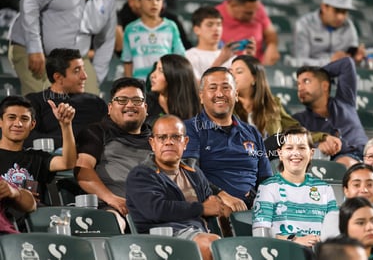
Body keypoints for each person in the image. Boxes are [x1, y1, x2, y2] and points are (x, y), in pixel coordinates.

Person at [127, 115, 222, 260]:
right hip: (162, 238)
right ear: (152, 143)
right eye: (162, 137)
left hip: (199, 232)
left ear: (185, 142)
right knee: (211, 244)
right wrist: (201, 208)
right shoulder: (141, 174)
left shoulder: (194, 172)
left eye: (176, 137)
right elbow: (156, 210)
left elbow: (212, 207)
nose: (169, 142)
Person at [183, 66, 272, 210]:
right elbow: (189, 172)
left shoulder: (252, 133)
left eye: (226, 88)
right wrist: (221, 195)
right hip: (213, 210)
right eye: (212, 88)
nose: (219, 94)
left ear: (236, 95)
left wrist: (258, 200)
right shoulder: (189, 129)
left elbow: (266, 179)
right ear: (201, 96)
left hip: (254, 210)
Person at [8, 0, 116, 95]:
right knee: (46, 104)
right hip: (37, 52)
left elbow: (106, 41)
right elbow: (29, 2)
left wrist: (96, 77)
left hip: (77, 58)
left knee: (91, 102)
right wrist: (34, 48)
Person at [75, 77, 152, 231]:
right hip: (113, 207)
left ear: (146, 107)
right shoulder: (96, 132)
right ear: (110, 108)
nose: (130, 105)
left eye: (137, 100)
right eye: (122, 100)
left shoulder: (158, 137)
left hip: (154, 208)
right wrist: (112, 199)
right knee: (112, 223)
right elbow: (82, 170)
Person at [231, 54, 342, 158]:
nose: (232, 77)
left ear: (255, 78)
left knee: (281, 141)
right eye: (230, 72)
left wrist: (323, 137)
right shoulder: (226, 106)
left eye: (239, 72)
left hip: (269, 162)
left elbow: (295, 132)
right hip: (239, 161)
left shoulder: (273, 104)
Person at [252, 126, 338, 247]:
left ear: (311, 153)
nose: (296, 153)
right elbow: (260, 235)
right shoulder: (268, 188)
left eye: (302, 148)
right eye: (289, 148)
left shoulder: (324, 188)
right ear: (280, 154)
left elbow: (335, 232)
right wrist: (294, 240)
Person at [24, 48, 107, 149]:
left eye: (83, 69)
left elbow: (111, 133)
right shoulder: (35, 101)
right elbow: (27, 137)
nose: (84, 76)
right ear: (58, 77)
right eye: (77, 71)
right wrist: (71, 143)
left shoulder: (96, 102)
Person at [0, 95, 76, 204]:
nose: (18, 124)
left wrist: (66, 125)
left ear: (32, 124)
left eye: (24, 119)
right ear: (1, 121)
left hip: (34, 218)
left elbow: (68, 163)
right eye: (11, 117)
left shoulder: (37, 158)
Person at [293, 57, 368, 168]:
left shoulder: (345, 100)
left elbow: (346, 63)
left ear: (325, 85)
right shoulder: (298, 120)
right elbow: (294, 143)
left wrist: (320, 73)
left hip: (369, 153)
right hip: (341, 161)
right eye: (298, 84)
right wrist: (318, 145)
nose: (300, 88)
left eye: (306, 81)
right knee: (345, 164)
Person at [121, 0, 185, 80]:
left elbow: (179, 57)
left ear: (163, 3)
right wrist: (129, 84)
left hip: (165, 81)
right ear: (138, 2)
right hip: (140, 83)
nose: (154, 3)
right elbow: (127, 61)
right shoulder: (130, 29)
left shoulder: (171, 26)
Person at [293, 0, 366, 67]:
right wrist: (330, 62)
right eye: (337, 10)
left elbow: (350, 60)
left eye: (344, 11)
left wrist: (356, 60)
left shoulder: (348, 26)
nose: (340, 17)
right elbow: (299, 61)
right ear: (324, 7)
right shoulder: (304, 24)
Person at [115, 0, 192, 57]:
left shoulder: (171, 22)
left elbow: (185, 51)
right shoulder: (119, 21)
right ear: (132, 1)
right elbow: (122, 54)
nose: (154, 3)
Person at [185, 6, 256, 80]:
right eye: (210, 25)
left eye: (219, 24)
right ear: (197, 30)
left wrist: (248, 60)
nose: (216, 29)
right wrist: (220, 61)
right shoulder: (188, 56)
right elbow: (197, 87)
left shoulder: (231, 57)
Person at [215, 0, 279, 66]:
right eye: (249, 13)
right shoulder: (216, 16)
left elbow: (271, 33)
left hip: (257, 66)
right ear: (233, 5)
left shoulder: (256, 8)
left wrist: (272, 46)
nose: (255, 15)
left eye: (256, 10)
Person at [146, 54, 200, 126]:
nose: (152, 75)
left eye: (160, 71)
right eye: (155, 69)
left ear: (175, 76)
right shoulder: (146, 103)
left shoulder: (197, 107)